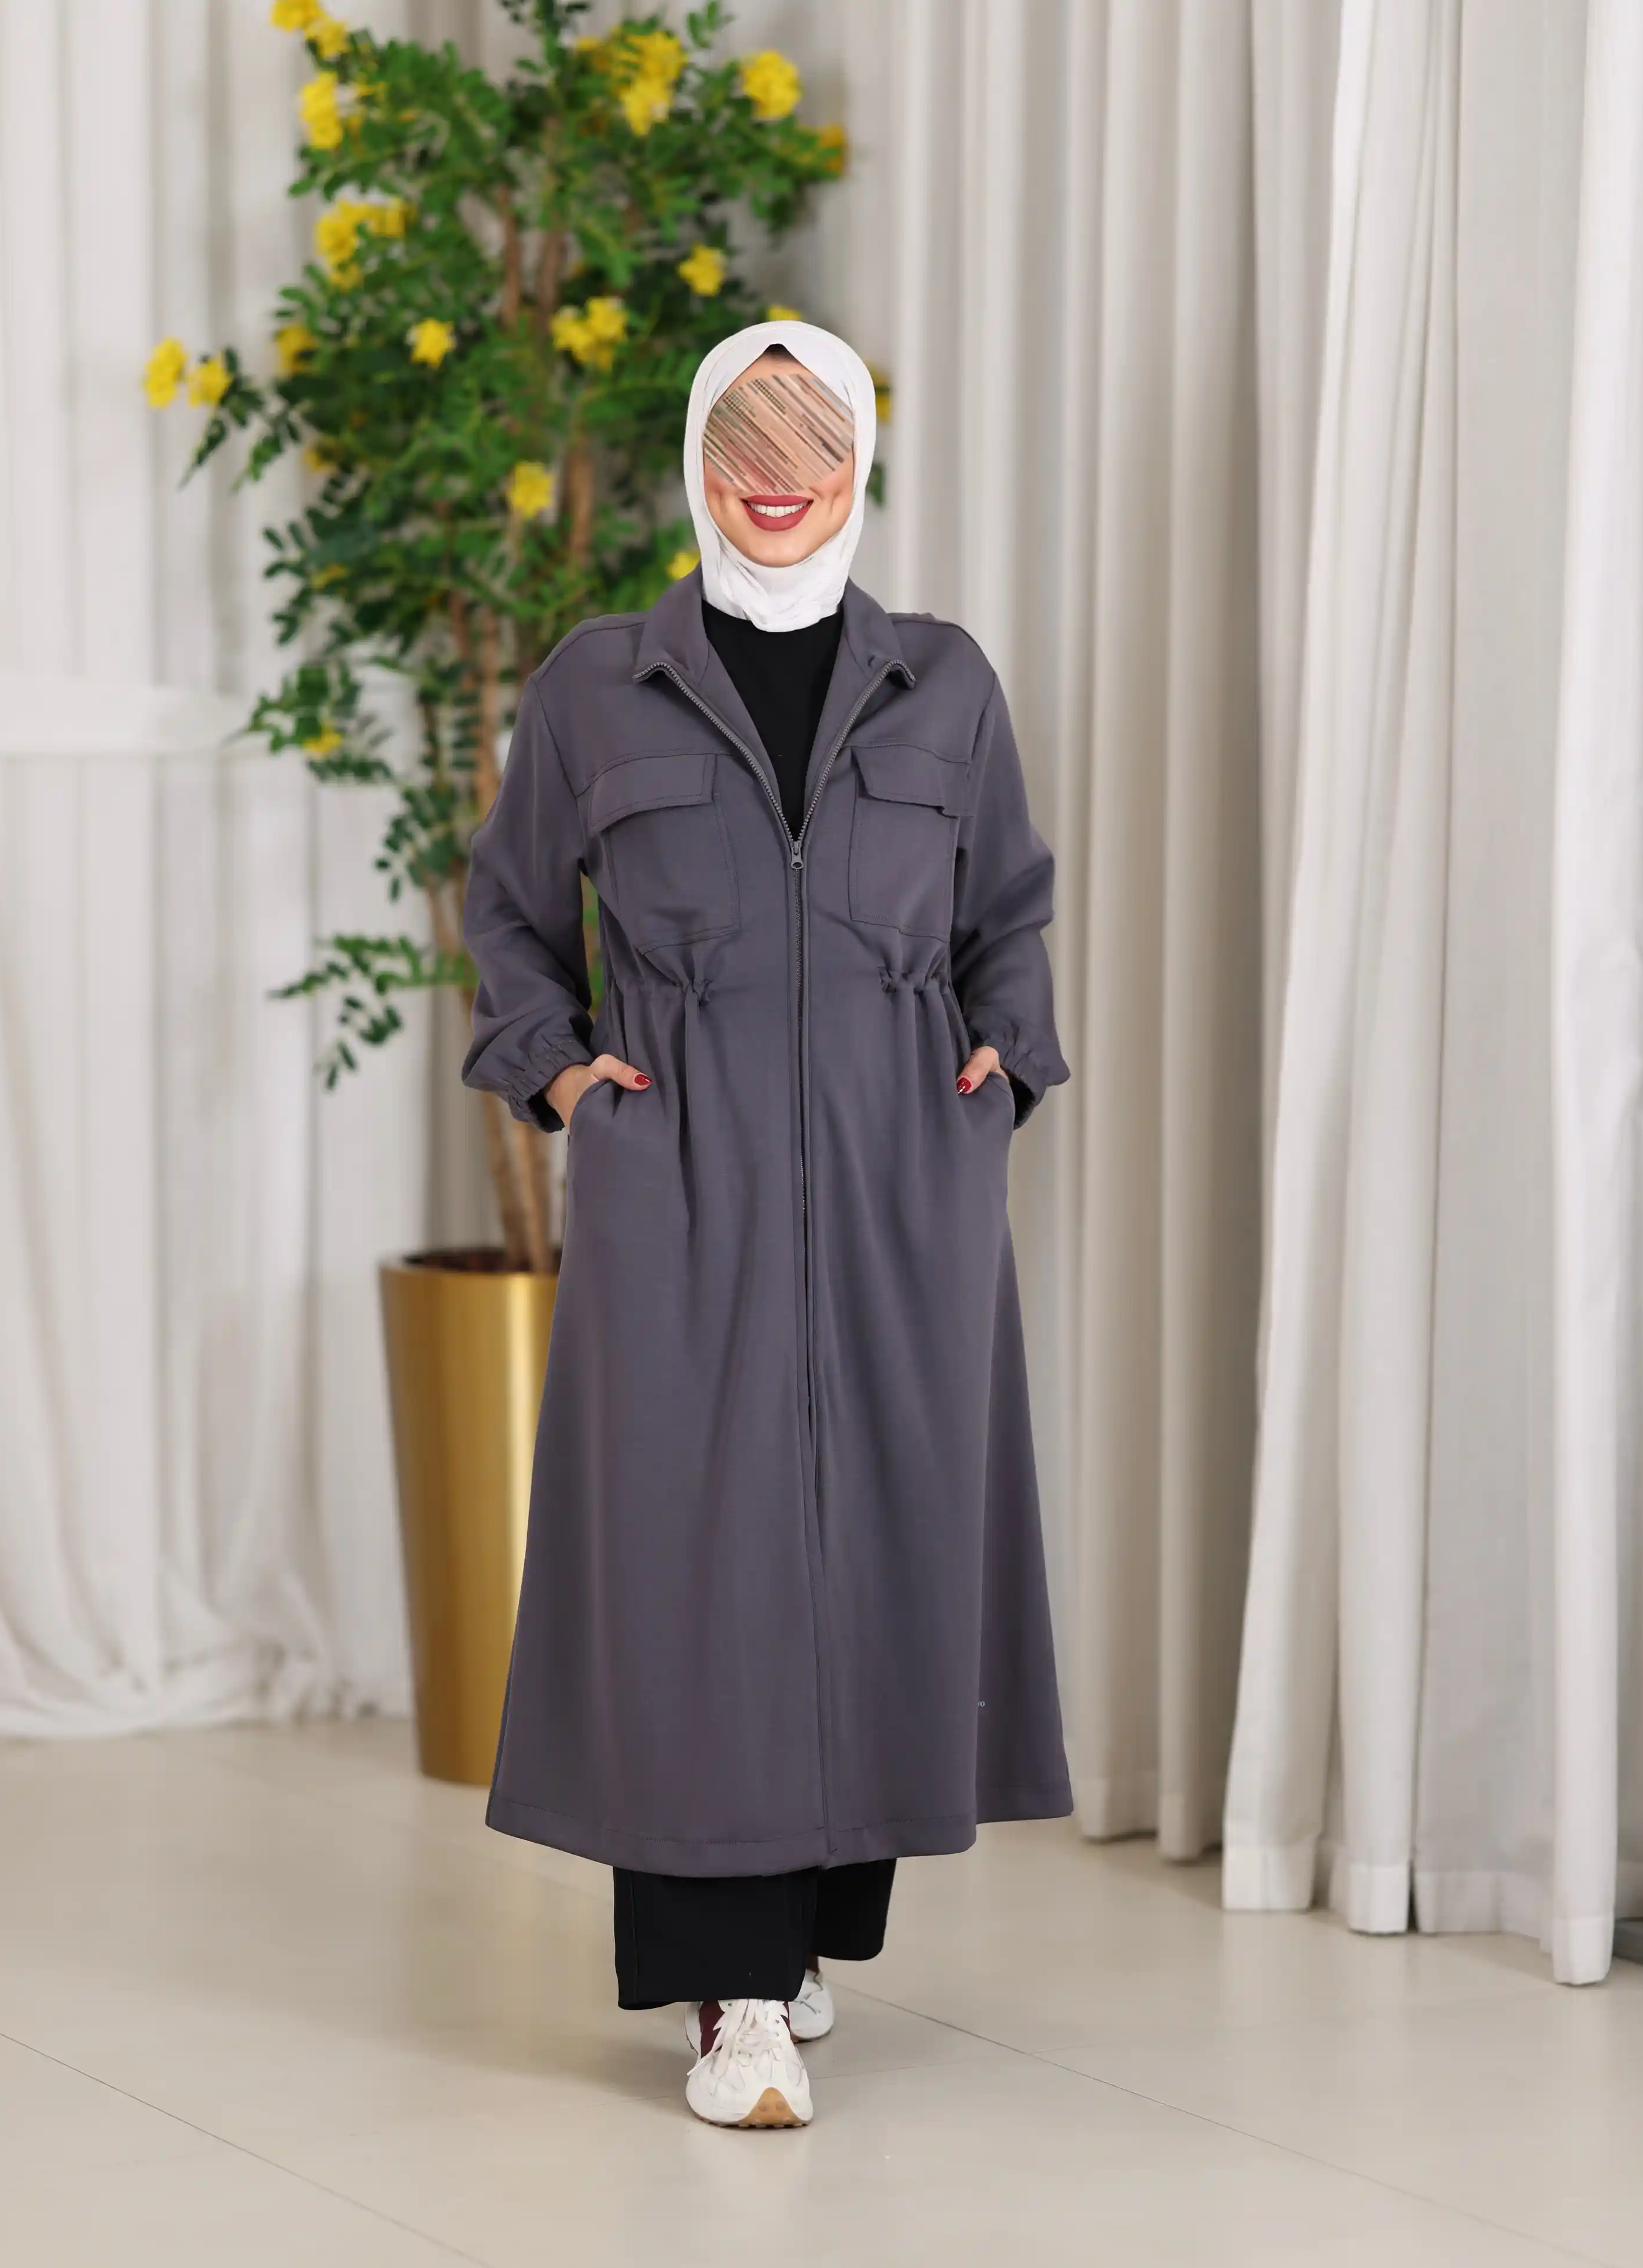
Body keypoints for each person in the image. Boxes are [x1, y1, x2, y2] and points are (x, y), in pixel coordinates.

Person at [462, 319, 1071, 2128]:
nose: (777, 477)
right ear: (695, 464)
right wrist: (565, 1081)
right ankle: (725, 1994)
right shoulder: (600, 684)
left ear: (860, 461)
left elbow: (1009, 906)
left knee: (877, 1545)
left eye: (812, 441)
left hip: (904, 1180)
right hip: (680, 1175)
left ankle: (799, 1941)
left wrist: (1005, 1063)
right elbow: (509, 914)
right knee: (694, 1564)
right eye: (746, 441)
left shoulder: (942, 683)